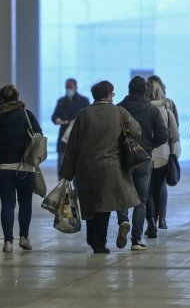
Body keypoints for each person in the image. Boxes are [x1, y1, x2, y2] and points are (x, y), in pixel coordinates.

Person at [60, 81, 141, 254]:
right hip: (111, 168)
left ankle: (93, 239)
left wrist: (66, 173)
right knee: (104, 207)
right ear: (110, 94)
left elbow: (72, 146)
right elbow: (137, 131)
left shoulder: (84, 115)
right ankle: (100, 243)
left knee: (90, 206)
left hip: (85, 169)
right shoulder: (119, 112)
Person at [0, 84, 43, 252]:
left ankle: (8, 242)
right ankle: (24, 237)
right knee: (25, 203)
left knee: (8, 204)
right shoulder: (27, 115)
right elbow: (39, 135)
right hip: (25, 167)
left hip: (2, 167)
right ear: (17, 97)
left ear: (0, 98)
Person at [116, 76, 168, 251]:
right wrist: (149, 146)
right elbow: (163, 135)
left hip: (123, 158)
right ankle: (136, 240)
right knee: (141, 200)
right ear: (144, 91)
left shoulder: (119, 108)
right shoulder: (152, 110)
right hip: (144, 158)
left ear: (129, 89)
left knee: (122, 195)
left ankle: (123, 220)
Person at [144, 78, 180, 238]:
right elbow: (175, 132)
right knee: (160, 187)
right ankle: (162, 219)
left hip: (145, 155)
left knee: (147, 190)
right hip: (164, 155)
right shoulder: (168, 106)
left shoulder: (141, 108)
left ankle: (150, 221)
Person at [51, 78, 90, 177]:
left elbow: (89, 117)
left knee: (79, 168)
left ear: (76, 87)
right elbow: (54, 116)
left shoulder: (84, 101)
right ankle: (62, 191)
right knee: (61, 166)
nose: (68, 89)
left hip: (79, 137)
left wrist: (78, 121)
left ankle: (78, 191)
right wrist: (57, 120)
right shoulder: (61, 101)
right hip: (64, 137)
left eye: (70, 87)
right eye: (67, 87)